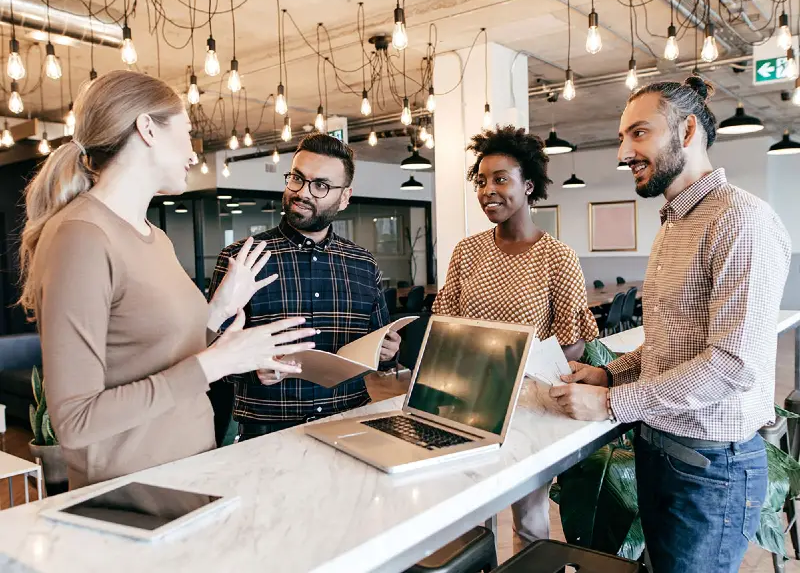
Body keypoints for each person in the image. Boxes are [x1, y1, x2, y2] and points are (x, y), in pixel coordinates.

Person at [18, 70, 316, 489]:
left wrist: (220, 311)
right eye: (187, 132)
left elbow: (157, 354)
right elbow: (76, 421)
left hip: (189, 472)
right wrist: (218, 362)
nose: (195, 154)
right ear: (147, 129)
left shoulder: (153, 236)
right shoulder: (81, 236)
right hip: (133, 493)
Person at [552, 77, 791, 573]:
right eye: (622, 138)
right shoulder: (674, 223)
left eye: (638, 134)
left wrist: (612, 403)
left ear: (686, 133)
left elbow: (731, 364)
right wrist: (612, 373)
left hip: (710, 470)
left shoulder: (741, 221)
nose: (623, 152)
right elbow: (669, 341)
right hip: (660, 454)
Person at [432, 125, 599, 542]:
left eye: (501, 179)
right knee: (469, 513)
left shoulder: (556, 256)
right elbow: (446, 323)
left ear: (528, 185)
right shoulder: (466, 251)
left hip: (528, 401)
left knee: (528, 518)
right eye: (482, 181)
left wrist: (515, 363)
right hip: (466, 397)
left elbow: (573, 341)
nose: (489, 189)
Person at [208, 133, 401, 443]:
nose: (302, 192)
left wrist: (388, 352)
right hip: (268, 434)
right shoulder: (240, 259)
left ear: (345, 197)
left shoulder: (363, 263)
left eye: (321, 185)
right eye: (297, 178)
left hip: (350, 422)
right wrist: (253, 368)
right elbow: (210, 354)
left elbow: (379, 351)